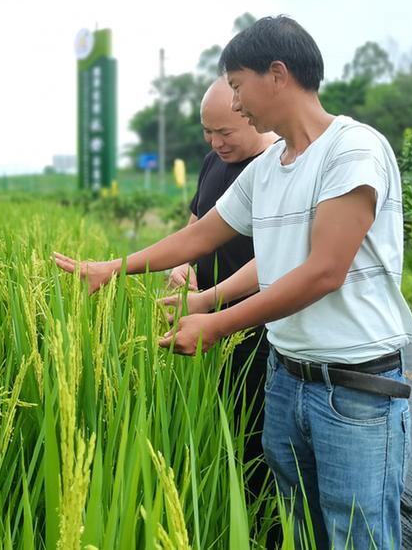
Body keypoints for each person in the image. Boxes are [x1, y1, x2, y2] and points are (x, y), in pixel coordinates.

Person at [54, 15, 412, 549]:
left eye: (240, 87)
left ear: (277, 74)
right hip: (286, 379)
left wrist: (215, 324)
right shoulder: (269, 167)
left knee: (357, 537)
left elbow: (324, 271)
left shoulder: (351, 150)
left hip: (353, 390)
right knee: (300, 531)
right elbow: (202, 235)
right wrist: (115, 266)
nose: (238, 104)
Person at [165, 77, 279, 505]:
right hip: (206, 324)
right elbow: (198, 225)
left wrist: (207, 303)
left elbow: (274, 257)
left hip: (257, 329)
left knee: (255, 435)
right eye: (207, 132)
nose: (215, 142)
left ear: (250, 115)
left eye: (224, 132)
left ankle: (256, 514)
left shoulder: (275, 168)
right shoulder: (215, 163)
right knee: (220, 420)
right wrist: (182, 264)